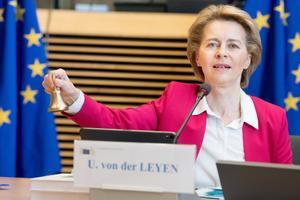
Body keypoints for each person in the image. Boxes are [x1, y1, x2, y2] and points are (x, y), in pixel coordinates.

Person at [42, 4, 292, 189]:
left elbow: (285, 190)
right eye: (212, 44)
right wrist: (73, 96)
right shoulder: (177, 101)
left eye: (233, 46)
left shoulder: (272, 118)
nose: (222, 53)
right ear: (197, 57)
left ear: (248, 58)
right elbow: (116, 122)